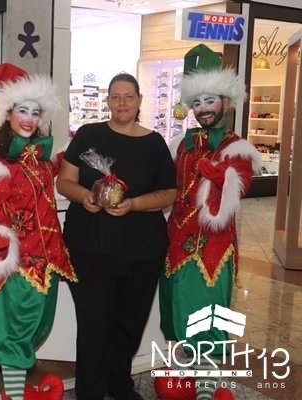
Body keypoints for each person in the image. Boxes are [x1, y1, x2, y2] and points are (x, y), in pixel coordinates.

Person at [56, 72, 178, 400]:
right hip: (90, 248)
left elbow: (169, 193)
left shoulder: (154, 144)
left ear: (139, 101)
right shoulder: (88, 135)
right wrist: (85, 196)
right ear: (107, 101)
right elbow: (64, 181)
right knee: (94, 325)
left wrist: (134, 204)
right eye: (115, 96)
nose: (122, 103)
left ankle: (118, 384)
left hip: (142, 251)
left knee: (129, 324)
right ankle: (90, 392)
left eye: (128, 96)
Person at [159, 44, 262, 400]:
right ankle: (182, 383)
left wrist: (221, 176)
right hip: (175, 245)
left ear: (226, 102)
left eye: (210, 101)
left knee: (207, 319)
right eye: (197, 102)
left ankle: (204, 392)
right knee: (176, 312)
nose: (203, 109)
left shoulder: (238, 148)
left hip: (212, 251)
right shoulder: (181, 144)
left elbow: (241, 187)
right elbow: (167, 186)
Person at [0, 63, 77, 400]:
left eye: (35, 112)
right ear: (8, 115)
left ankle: (15, 393)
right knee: (15, 331)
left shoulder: (42, 161)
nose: (29, 119)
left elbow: (60, 168)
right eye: (22, 111)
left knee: (37, 326)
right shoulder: (2, 168)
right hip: (21, 267)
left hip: (49, 262)